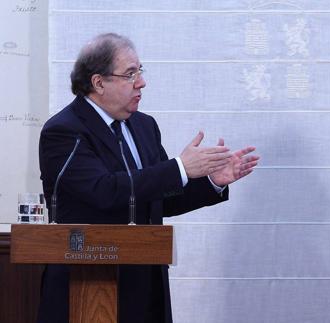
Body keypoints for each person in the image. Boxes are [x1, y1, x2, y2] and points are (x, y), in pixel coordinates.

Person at [37, 33, 259, 323]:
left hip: (146, 282)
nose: (141, 82)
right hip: (86, 284)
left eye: (140, 71)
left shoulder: (144, 126)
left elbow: (158, 199)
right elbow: (102, 191)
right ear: (99, 82)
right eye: (130, 74)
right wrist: (179, 168)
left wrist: (212, 181)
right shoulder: (64, 131)